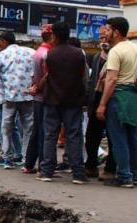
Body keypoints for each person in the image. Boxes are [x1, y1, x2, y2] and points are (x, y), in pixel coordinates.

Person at [97, 17, 137, 188]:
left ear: (116, 32)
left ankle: (124, 176)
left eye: (108, 30)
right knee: (132, 137)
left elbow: (111, 80)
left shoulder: (116, 52)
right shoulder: (135, 48)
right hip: (132, 96)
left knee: (119, 138)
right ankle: (136, 174)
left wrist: (102, 104)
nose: (105, 33)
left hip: (118, 96)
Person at [36, 22, 89, 184]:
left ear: (54, 36)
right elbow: (84, 78)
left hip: (52, 99)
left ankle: (46, 172)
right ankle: (78, 174)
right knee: (74, 135)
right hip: (73, 100)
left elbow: (47, 76)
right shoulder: (79, 54)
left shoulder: (49, 55)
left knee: (50, 135)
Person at [0, 31, 35, 169]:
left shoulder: (2, 55)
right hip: (27, 96)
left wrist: (1, 86)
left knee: (6, 128)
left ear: (3, 42)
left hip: (9, 96)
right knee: (28, 128)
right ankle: (26, 158)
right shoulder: (31, 52)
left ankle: (7, 159)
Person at [84, 28, 117, 179]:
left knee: (113, 136)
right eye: (101, 38)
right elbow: (92, 81)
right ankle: (91, 166)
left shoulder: (119, 54)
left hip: (113, 99)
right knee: (92, 136)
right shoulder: (97, 57)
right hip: (96, 99)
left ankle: (111, 168)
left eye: (105, 37)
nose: (103, 41)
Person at [24, 24, 53, 174]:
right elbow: (47, 76)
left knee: (37, 131)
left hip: (38, 97)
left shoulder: (38, 52)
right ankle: (43, 164)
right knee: (44, 132)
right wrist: (38, 87)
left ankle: (29, 163)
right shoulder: (47, 54)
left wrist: (34, 87)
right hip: (43, 97)